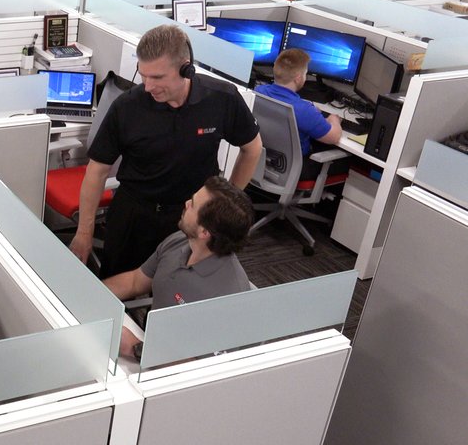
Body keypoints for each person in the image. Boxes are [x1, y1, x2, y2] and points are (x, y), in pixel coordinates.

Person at [70, 25, 262, 278]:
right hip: (133, 214)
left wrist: (225, 204)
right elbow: (97, 171)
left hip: (189, 217)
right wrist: (84, 233)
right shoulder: (127, 106)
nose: (148, 86)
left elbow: (252, 148)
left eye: (158, 77)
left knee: (180, 286)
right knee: (117, 283)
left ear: (186, 68)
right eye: (144, 75)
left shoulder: (222, 98)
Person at [102, 176, 254, 359]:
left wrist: (136, 348)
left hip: (165, 367)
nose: (186, 203)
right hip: (150, 344)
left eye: (193, 205)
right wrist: (91, 294)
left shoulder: (229, 297)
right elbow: (135, 281)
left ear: (204, 232)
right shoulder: (180, 241)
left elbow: (202, 368)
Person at [253, 48, 345, 180]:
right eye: (305, 73)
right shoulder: (304, 110)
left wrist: (313, 114)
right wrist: (334, 119)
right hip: (294, 169)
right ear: (298, 78)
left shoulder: (259, 91)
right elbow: (334, 137)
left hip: (263, 159)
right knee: (346, 161)